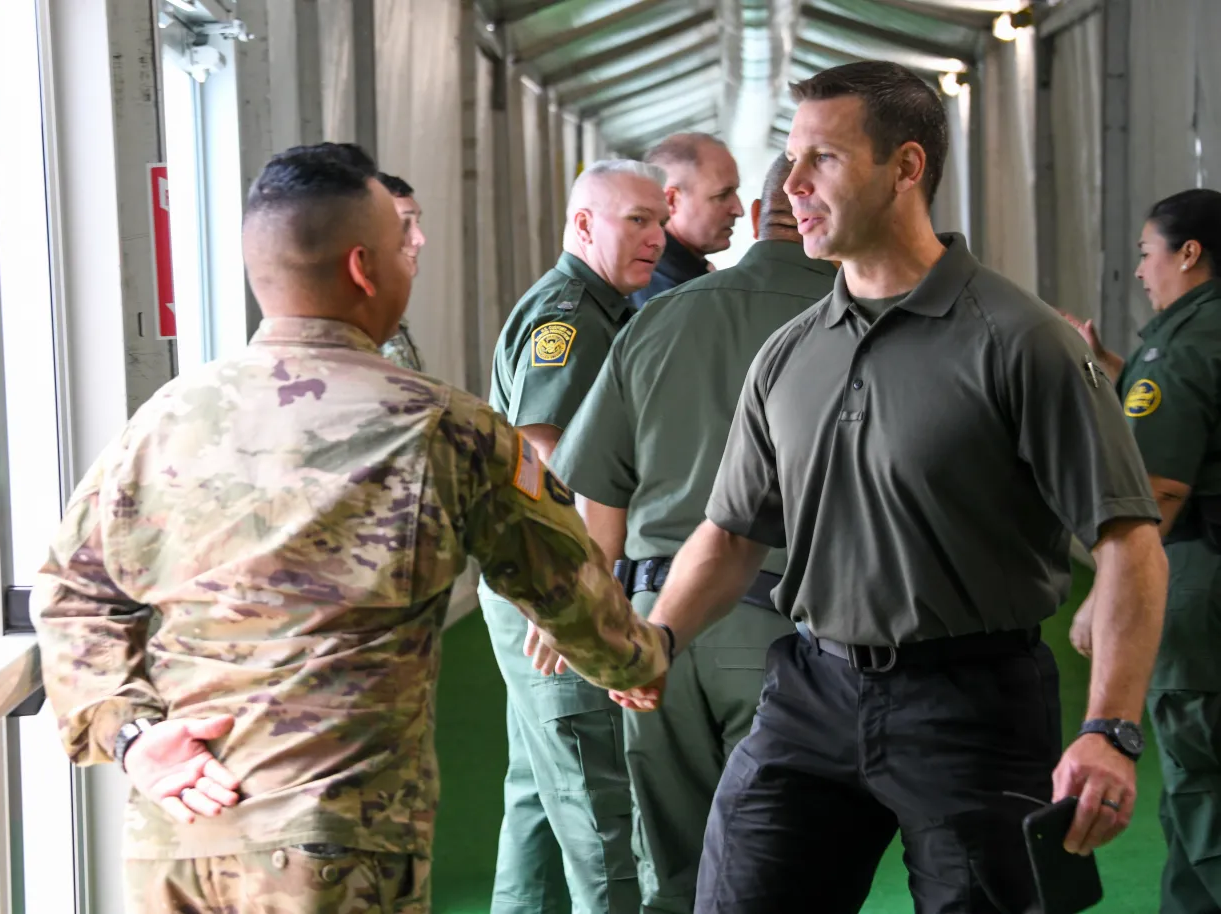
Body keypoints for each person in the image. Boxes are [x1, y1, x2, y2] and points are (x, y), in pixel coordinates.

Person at [30, 143, 669, 914]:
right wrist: (637, 661)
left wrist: (135, 738)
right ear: (364, 269)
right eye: (405, 244)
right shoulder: (438, 425)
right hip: (337, 839)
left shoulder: (166, 419)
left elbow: (71, 592)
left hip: (178, 833)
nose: (415, 255)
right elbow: (564, 578)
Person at [610, 60, 1169, 914]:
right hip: (808, 690)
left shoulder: (1021, 341)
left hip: (972, 704)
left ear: (907, 167)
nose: (790, 185)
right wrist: (655, 640)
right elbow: (728, 536)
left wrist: (1111, 729)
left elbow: (1127, 538)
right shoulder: (788, 355)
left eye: (821, 160)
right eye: (790, 160)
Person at [545, 152, 836, 913]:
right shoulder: (855, 315)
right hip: (789, 633)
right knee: (781, 872)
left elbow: (597, 495)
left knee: (671, 872)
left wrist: (591, 619)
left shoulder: (663, 316)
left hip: (652, 631)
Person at [481, 158, 669, 914]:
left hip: (535, 581)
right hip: (551, 586)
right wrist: (572, 602)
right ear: (585, 224)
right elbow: (542, 455)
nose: (656, 235)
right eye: (637, 220)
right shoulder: (571, 316)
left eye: (661, 218)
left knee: (538, 789)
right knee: (597, 809)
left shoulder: (608, 307)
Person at [1065, 188, 1221, 914]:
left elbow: (1156, 496)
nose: (1139, 271)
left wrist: (1104, 598)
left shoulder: (1178, 346)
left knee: (1203, 793)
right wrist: (1115, 368)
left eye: (1145, 252)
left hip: (1202, 601)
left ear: (1189, 255)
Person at [630, 134, 744, 309]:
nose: (738, 210)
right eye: (722, 195)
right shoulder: (672, 296)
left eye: (735, 192)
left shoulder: (672, 274)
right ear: (671, 200)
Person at [377, 171, 427, 372]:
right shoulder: (355, 325)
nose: (420, 239)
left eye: (417, 223)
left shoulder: (389, 318)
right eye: (404, 224)